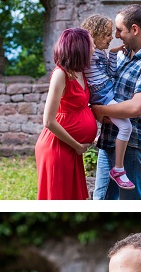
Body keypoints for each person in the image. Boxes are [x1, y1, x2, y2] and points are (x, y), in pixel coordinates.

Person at [90, 5, 141, 200]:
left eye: (119, 30)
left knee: (130, 202)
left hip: (132, 146)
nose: (116, 35)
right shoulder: (124, 55)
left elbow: (136, 107)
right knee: (101, 201)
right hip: (109, 140)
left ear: (134, 29)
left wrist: (99, 110)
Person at [36, 27, 98, 200]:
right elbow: (48, 121)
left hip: (71, 147)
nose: (94, 49)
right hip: (57, 147)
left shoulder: (80, 71)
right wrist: (77, 145)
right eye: (91, 46)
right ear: (80, 48)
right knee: (60, 197)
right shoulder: (60, 75)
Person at [80, 14, 134, 191]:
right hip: (102, 96)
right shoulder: (87, 53)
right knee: (126, 127)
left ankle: (101, 138)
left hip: (108, 93)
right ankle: (118, 169)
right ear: (94, 34)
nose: (111, 38)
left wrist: (112, 54)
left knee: (123, 121)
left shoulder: (101, 53)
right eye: (107, 34)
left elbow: (112, 73)